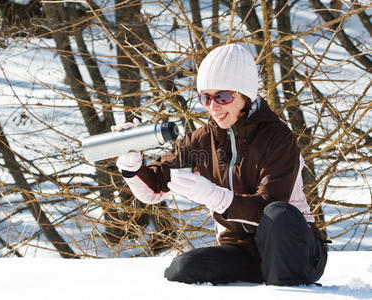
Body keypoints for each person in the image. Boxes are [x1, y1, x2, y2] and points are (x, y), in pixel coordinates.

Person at [112, 43, 328, 286]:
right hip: (244, 252)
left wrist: (214, 195)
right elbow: (154, 189)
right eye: (205, 97)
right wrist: (132, 166)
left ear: (244, 94)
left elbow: (268, 207)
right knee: (183, 269)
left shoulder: (277, 138)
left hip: (296, 250)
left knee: (278, 214)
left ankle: (289, 290)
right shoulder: (202, 140)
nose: (213, 106)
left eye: (222, 96)